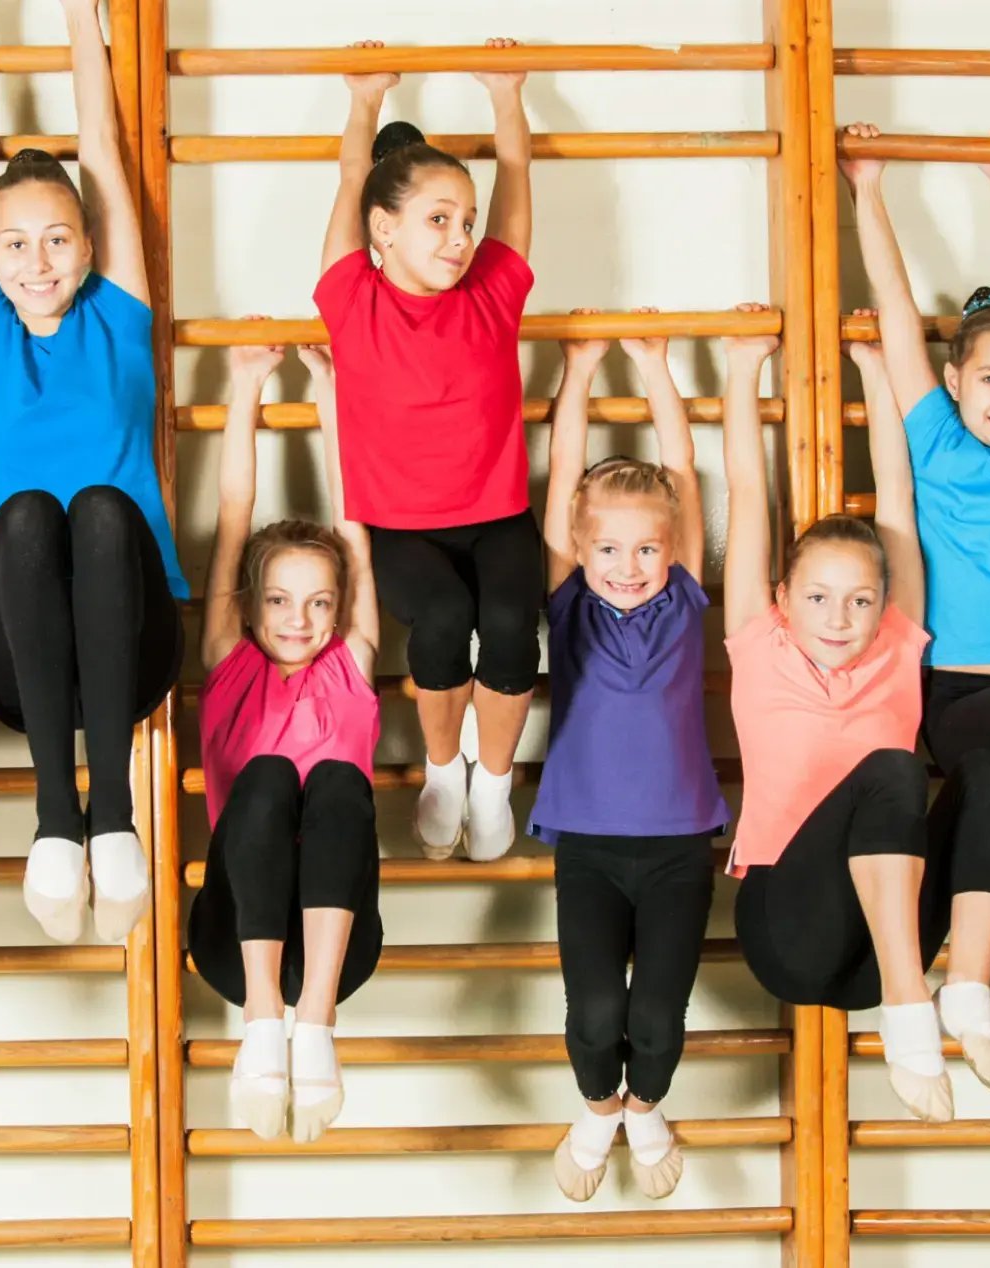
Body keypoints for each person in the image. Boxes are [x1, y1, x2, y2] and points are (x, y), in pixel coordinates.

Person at [0, 0, 186, 944]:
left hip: (134, 642)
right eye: (15, 243)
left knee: (97, 509)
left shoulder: (119, 314)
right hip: (13, 651)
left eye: (57, 239)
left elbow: (101, 143)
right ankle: (58, 817)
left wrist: (88, 20)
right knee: (35, 515)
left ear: (89, 248)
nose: (37, 261)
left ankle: (111, 817)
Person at [841, 122, 990, 1079]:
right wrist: (869, 189)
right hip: (958, 692)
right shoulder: (934, 439)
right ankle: (965, 983)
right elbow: (893, 306)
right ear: (956, 382)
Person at [724, 304, 955, 1122]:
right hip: (790, 933)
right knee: (892, 769)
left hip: (882, 941)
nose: (840, 616)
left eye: (861, 599)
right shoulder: (760, 644)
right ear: (782, 601)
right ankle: (910, 1008)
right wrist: (744, 368)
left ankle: (957, 991)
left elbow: (898, 496)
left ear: (884, 604)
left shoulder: (897, 642)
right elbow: (749, 492)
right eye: (818, 597)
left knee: (983, 773)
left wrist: (871, 370)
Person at [314, 38, 539, 864]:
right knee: (442, 621)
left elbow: (515, 191)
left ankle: (493, 781)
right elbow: (349, 182)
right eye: (438, 220)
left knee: (514, 625)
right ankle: (445, 769)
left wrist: (507, 96)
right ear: (385, 228)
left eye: (466, 221)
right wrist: (364, 99)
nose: (459, 238)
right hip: (404, 525)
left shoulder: (493, 291)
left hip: (499, 514)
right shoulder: (352, 300)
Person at [534, 310, 728, 1201]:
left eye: (645, 547)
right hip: (589, 842)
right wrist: (575, 374)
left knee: (656, 1012)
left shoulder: (684, 599)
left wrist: (655, 369)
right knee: (596, 1011)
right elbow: (562, 483)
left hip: (682, 841)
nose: (627, 564)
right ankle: (594, 1108)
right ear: (579, 549)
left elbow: (682, 477)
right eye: (608, 547)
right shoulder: (569, 603)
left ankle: (643, 1105)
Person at [187, 335, 382, 1143]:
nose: (299, 621)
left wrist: (331, 391)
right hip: (236, 945)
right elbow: (235, 516)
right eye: (278, 601)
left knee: (335, 783)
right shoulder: (228, 664)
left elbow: (355, 523)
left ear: (340, 609)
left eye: (318, 604)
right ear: (250, 604)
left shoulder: (353, 666)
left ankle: (316, 1025)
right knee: (268, 778)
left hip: (338, 950)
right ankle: (265, 1023)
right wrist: (246, 390)